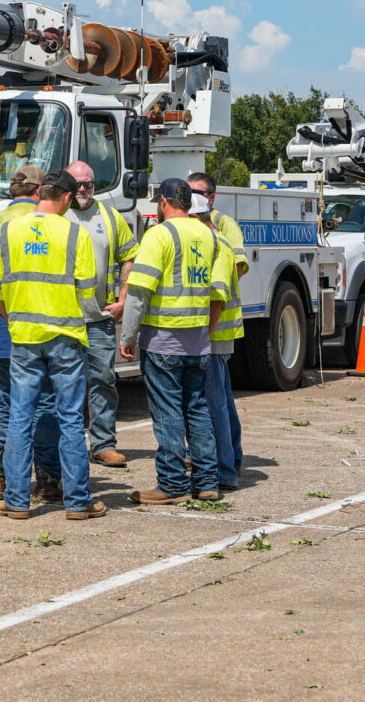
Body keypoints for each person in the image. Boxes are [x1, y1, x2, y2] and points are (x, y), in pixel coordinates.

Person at [0, 170, 105, 520]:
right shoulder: (74, 233)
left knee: (19, 417)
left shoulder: (8, 231)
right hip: (65, 338)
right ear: (65, 197)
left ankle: (17, 501)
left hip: (23, 338)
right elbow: (85, 289)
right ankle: (78, 502)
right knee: (68, 419)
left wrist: (15, 320)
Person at [0, 164, 64, 502]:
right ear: (38, 191)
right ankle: (47, 480)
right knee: (44, 404)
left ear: (11, 191)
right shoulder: (55, 226)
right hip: (43, 325)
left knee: (0, 405)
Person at [117, 177, 225, 504]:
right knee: (198, 411)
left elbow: (138, 293)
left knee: (168, 414)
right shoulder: (209, 236)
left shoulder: (158, 235)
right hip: (199, 340)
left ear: (164, 201)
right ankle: (207, 482)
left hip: (163, 341)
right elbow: (218, 289)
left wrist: (128, 336)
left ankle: (172, 483)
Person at [63, 160, 138, 468]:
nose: (83, 189)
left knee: (104, 381)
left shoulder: (109, 216)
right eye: (78, 184)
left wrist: (123, 298)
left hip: (98, 318)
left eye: (89, 184)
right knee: (64, 385)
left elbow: (129, 255)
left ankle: (103, 444)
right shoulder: (56, 213)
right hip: (62, 319)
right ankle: (64, 447)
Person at [194, 192, 244, 490]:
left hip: (214, 336)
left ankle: (225, 470)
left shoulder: (218, 244)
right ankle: (230, 462)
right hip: (217, 334)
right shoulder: (215, 243)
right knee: (222, 402)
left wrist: (203, 334)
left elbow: (217, 297)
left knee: (215, 406)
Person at [187, 172, 248, 279]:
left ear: (211, 198)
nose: (191, 197)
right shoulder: (182, 221)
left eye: (197, 193)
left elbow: (238, 267)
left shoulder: (225, 223)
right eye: (187, 192)